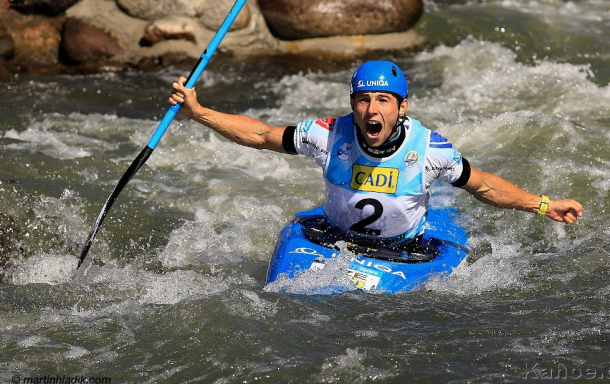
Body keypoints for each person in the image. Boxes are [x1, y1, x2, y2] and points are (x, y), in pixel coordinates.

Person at [169, 60, 582, 245]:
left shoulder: (432, 150)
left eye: (384, 100)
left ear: (402, 107)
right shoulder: (327, 133)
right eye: (364, 100)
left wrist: (544, 206)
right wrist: (198, 112)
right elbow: (261, 135)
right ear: (353, 105)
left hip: (406, 246)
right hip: (333, 235)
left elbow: (485, 187)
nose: (372, 110)